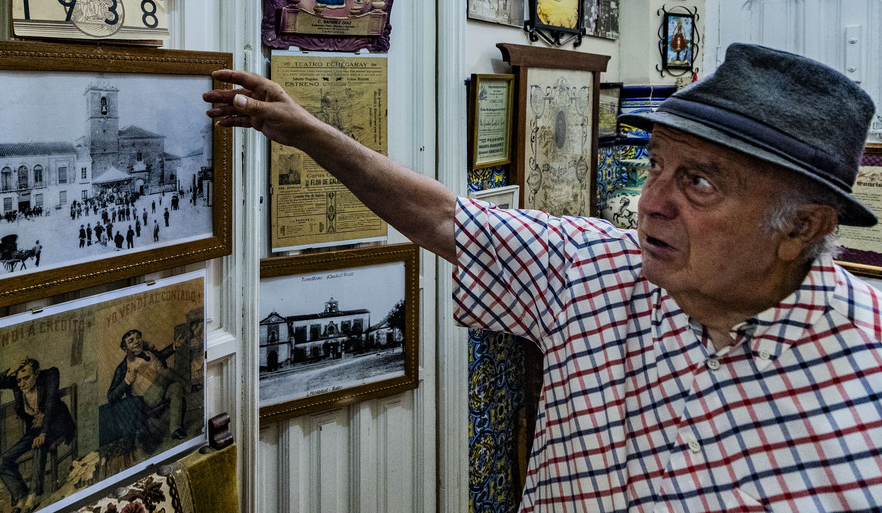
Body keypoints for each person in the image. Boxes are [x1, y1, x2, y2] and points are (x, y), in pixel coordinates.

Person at [203, 43, 882, 512]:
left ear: (802, 228)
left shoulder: (865, 366)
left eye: (698, 182)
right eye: (656, 166)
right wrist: (306, 132)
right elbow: (443, 219)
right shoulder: (595, 270)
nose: (652, 201)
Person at [0, 357, 77, 513]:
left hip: (58, 423)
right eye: (19, 380)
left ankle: (33, 495)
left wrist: (43, 432)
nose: (22, 384)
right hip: (36, 428)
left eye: (26, 378)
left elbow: (50, 403)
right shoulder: (17, 383)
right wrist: (10, 370)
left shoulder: (50, 375)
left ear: (36, 374)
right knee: (0, 463)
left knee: (39, 443)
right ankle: (21, 495)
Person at [105, 329, 188, 446]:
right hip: (145, 401)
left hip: (160, 391)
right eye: (131, 341)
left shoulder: (149, 352)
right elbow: (111, 397)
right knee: (167, 372)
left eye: (138, 337)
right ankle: (190, 388)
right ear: (125, 348)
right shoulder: (123, 367)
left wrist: (175, 346)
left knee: (176, 387)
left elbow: (161, 356)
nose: (137, 342)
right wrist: (126, 380)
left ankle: (175, 429)